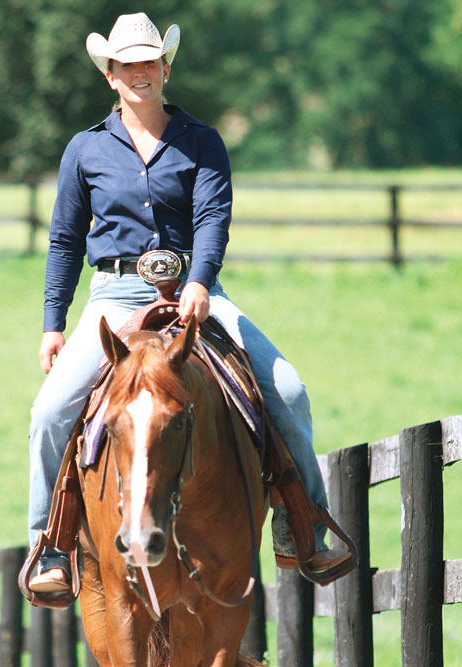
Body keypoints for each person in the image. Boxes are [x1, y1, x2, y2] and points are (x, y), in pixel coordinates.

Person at [27, 12, 352, 594]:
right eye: (127, 64)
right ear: (111, 74)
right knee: (49, 412)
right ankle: (51, 548)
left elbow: (212, 218)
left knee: (289, 391)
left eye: (149, 62)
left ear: (166, 67)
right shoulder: (84, 149)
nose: (139, 72)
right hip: (114, 292)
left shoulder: (202, 140)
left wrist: (201, 281)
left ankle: (301, 528)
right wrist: (54, 323)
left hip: (196, 291)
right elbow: (65, 239)